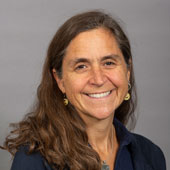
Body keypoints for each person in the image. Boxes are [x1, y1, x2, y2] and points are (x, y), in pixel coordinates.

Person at [2, 10, 166, 170]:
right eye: (81, 66)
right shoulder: (34, 160)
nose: (98, 79)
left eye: (108, 62)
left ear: (127, 71)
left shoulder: (150, 155)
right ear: (60, 80)